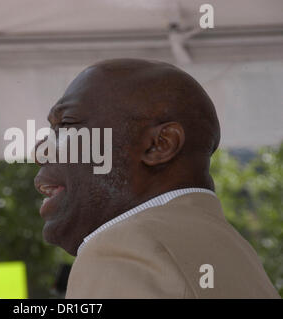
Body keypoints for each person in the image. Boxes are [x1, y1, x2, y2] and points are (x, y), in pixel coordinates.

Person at [33, 58, 279, 298]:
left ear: (159, 145)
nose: (40, 151)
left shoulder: (122, 249)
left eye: (66, 125)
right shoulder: (233, 251)